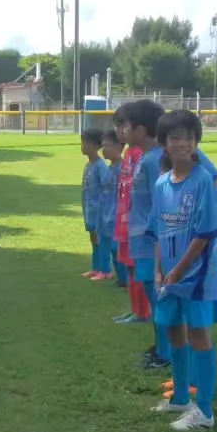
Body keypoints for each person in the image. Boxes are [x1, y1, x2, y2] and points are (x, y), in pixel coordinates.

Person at [149, 110, 217, 432]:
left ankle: (204, 409)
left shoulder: (203, 180)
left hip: (194, 276)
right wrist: (157, 270)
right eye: (175, 137)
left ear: (196, 142)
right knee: (172, 330)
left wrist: (179, 270)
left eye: (189, 137)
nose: (182, 143)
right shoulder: (161, 183)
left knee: (198, 334)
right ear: (164, 144)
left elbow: (205, 233)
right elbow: (158, 231)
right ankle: (180, 396)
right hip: (168, 276)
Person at [124, 100, 169, 368]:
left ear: (140, 129)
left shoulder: (157, 161)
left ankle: (165, 353)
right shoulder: (145, 158)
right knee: (153, 298)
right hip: (141, 240)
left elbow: (162, 204)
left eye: (127, 126)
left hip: (152, 242)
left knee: (159, 298)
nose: (123, 132)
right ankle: (160, 346)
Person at [112, 106, 151, 325]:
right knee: (129, 265)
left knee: (136, 266)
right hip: (124, 220)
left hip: (135, 223)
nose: (120, 131)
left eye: (123, 126)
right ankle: (135, 309)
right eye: (118, 127)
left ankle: (142, 312)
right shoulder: (128, 153)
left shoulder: (141, 155)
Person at [79, 128, 110, 279]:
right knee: (93, 238)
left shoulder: (100, 166)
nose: (82, 146)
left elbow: (107, 187)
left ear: (95, 146)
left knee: (100, 240)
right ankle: (96, 268)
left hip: (98, 210)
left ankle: (105, 270)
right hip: (89, 210)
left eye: (85, 143)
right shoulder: (88, 165)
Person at [98, 128, 127, 287]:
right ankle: (121, 278)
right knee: (110, 248)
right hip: (106, 214)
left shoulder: (123, 169)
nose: (104, 149)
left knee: (118, 249)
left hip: (116, 215)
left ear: (119, 147)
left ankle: (127, 279)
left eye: (108, 145)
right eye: (103, 145)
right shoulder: (109, 168)